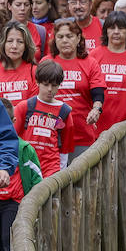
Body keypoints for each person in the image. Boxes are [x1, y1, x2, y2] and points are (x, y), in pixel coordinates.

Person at [47, 19, 106, 159]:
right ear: (54, 40)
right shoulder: (47, 62)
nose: (65, 40)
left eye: (69, 36)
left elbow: (98, 92)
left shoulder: (90, 63)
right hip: (53, 135)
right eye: (60, 37)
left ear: (78, 38)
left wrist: (96, 109)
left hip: (82, 133)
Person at [13, 60, 74, 178]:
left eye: (54, 85)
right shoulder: (24, 107)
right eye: (46, 84)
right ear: (37, 82)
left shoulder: (64, 112)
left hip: (52, 170)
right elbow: (13, 138)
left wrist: (61, 174)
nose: (50, 89)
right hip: (27, 167)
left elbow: (65, 148)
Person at [0, 21, 40, 104]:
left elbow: (34, 106)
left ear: (26, 46)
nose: (14, 46)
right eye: (10, 41)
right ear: (3, 43)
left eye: (20, 42)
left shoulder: (34, 71)